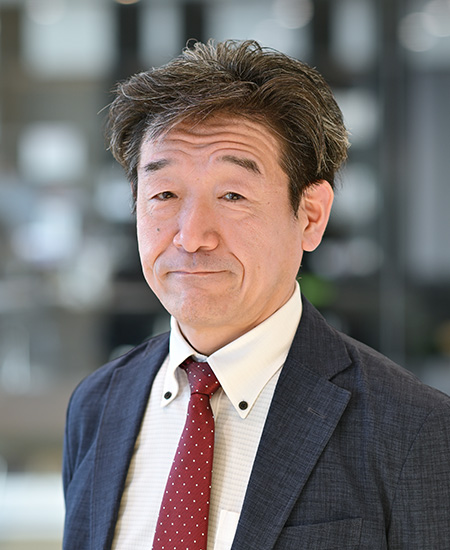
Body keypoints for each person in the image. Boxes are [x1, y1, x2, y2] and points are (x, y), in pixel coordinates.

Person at [62, 40, 450, 549]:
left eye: (232, 195)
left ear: (311, 215)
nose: (191, 237)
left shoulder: (413, 428)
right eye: (164, 194)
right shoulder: (97, 405)